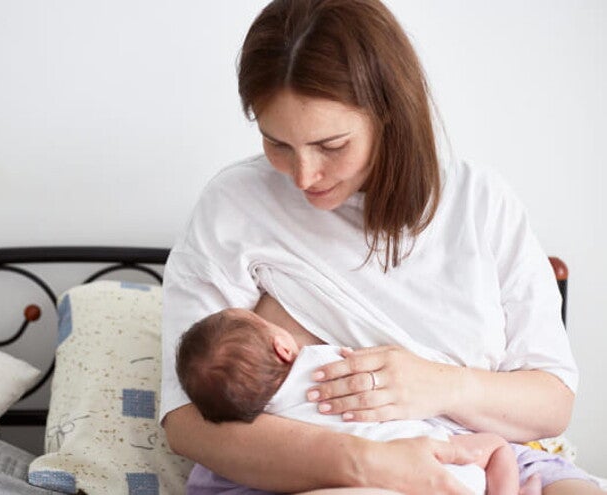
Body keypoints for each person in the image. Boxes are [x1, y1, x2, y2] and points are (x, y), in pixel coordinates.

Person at [160, 0, 604, 494]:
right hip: (306, 464)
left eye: (331, 146)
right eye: (277, 143)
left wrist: (441, 384)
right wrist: (368, 463)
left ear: (389, 115)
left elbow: (552, 403)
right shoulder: (234, 205)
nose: (304, 176)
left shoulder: (480, 203)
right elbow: (184, 420)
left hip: (480, 453)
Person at [176, 306, 536, 495]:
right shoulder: (320, 362)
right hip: (445, 465)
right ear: (283, 347)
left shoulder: (261, 423)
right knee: (496, 446)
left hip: (382, 483)